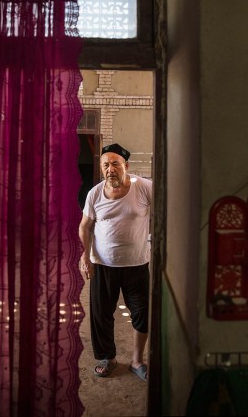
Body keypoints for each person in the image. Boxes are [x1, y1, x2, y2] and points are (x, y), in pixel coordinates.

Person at [79, 142, 153, 381]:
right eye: (105, 165)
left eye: (115, 164)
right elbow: (85, 227)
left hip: (136, 264)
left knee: (142, 313)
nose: (110, 169)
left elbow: (166, 206)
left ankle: (137, 361)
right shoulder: (95, 193)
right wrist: (84, 255)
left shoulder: (143, 187)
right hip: (102, 264)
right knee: (101, 314)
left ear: (126, 166)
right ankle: (107, 358)